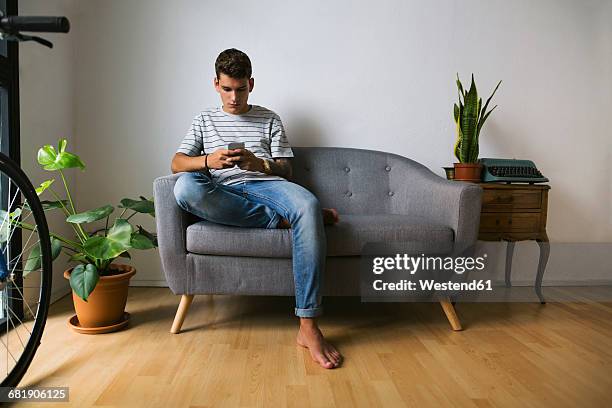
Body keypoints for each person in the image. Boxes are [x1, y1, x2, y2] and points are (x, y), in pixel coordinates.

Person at [171, 48, 342, 369]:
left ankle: (308, 326)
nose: (234, 97)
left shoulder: (269, 118)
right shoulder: (204, 119)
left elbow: (287, 171)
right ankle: (283, 221)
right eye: (227, 89)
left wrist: (258, 163)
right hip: (223, 191)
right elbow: (177, 163)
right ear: (215, 84)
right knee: (184, 186)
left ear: (251, 83)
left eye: (241, 88)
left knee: (306, 203)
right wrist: (210, 160)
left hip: (267, 186)